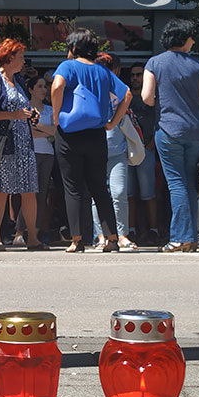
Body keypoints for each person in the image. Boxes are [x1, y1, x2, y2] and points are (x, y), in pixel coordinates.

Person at [50, 28, 132, 253]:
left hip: (69, 134)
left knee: (72, 188)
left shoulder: (67, 66)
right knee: (99, 187)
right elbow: (126, 94)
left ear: (74, 48)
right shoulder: (102, 71)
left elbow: (57, 86)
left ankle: (77, 240)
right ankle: (112, 238)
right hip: (97, 134)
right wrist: (113, 123)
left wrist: (56, 115)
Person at [142, 18, 199, 253]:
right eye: (191, 37)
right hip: (195, 131)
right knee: (189, 183)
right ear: (184, 38)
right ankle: (190, 238)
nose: (193, 41)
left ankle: (180, 237)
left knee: (176, 183)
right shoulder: (198, 66)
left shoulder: (155, 63)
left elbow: (147, 97)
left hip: (168, 129)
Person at [0, 39, 45, 251]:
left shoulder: (18, 79)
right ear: (9, 57)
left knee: (29, 191)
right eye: (20, 57)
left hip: (24, 144)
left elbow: (23, 108)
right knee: (1, 192)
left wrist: (30, 114)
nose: (23, 61)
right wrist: (14, 115)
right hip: (4, 145)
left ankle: (32, 237)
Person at [91, 53, 136, 251]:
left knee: (119, 192)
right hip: (96, 147)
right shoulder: (92, 87)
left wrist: (111, 123)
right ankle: (101, 235)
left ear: (116, 70)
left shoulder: (119, 88)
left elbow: (128, 96)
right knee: (97, 194)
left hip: (117, 149)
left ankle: (122, 234)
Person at [13, 74, 55, 246]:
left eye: (45, 86)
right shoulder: (25, 108)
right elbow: (25, 131)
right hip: (29, 152)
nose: (43, 90)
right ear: (30, 90)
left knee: (42, 194)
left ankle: (34, 232)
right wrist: (44, 131)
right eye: (39, 86)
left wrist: (36, 126)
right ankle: (19, 232)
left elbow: (55, 131)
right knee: (28, 193)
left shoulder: (50, 110)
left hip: (48, 154)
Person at [127, 63, 159, 245]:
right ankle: (131, 230)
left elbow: (159, 121)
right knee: (129, 193)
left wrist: (152, 143)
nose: (135, 78)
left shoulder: (151, 98)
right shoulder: (127, 97)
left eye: (139, 75)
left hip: (147, 148)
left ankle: (153, 230)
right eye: (133, 75)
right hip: (129, 150)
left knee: (148, 193)